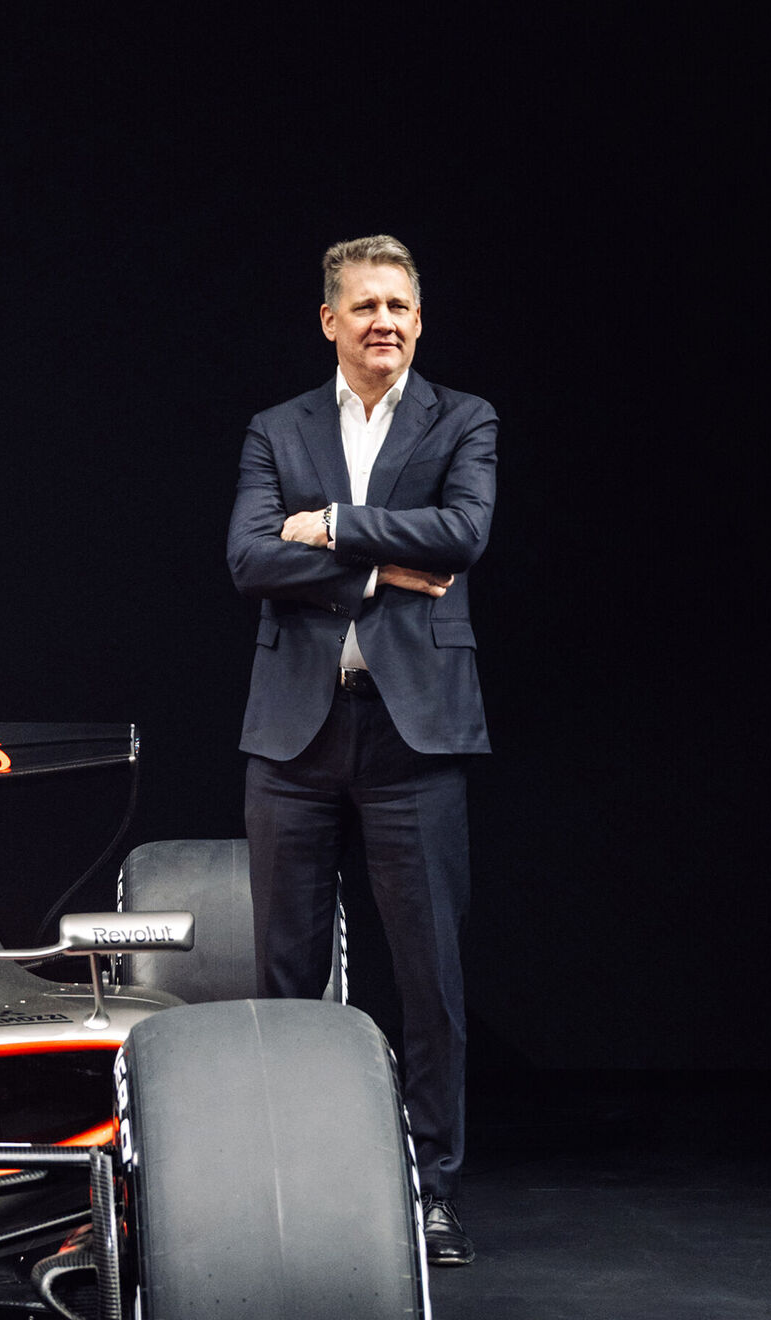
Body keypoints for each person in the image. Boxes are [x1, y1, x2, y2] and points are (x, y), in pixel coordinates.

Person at [227, 233, 497, 1266]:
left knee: (428, 976)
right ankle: (294, 1185)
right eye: (364, 305)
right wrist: (382, 572)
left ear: (418, 323)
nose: (384, 320)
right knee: (286, 976)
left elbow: (464, 534)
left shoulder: (464, 418)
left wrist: (331, 525)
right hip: (294, 733)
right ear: (330, 321)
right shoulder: (275, 428)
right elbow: (249, 557)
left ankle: (431, 1189)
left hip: (414, 732)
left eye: (400, 305)